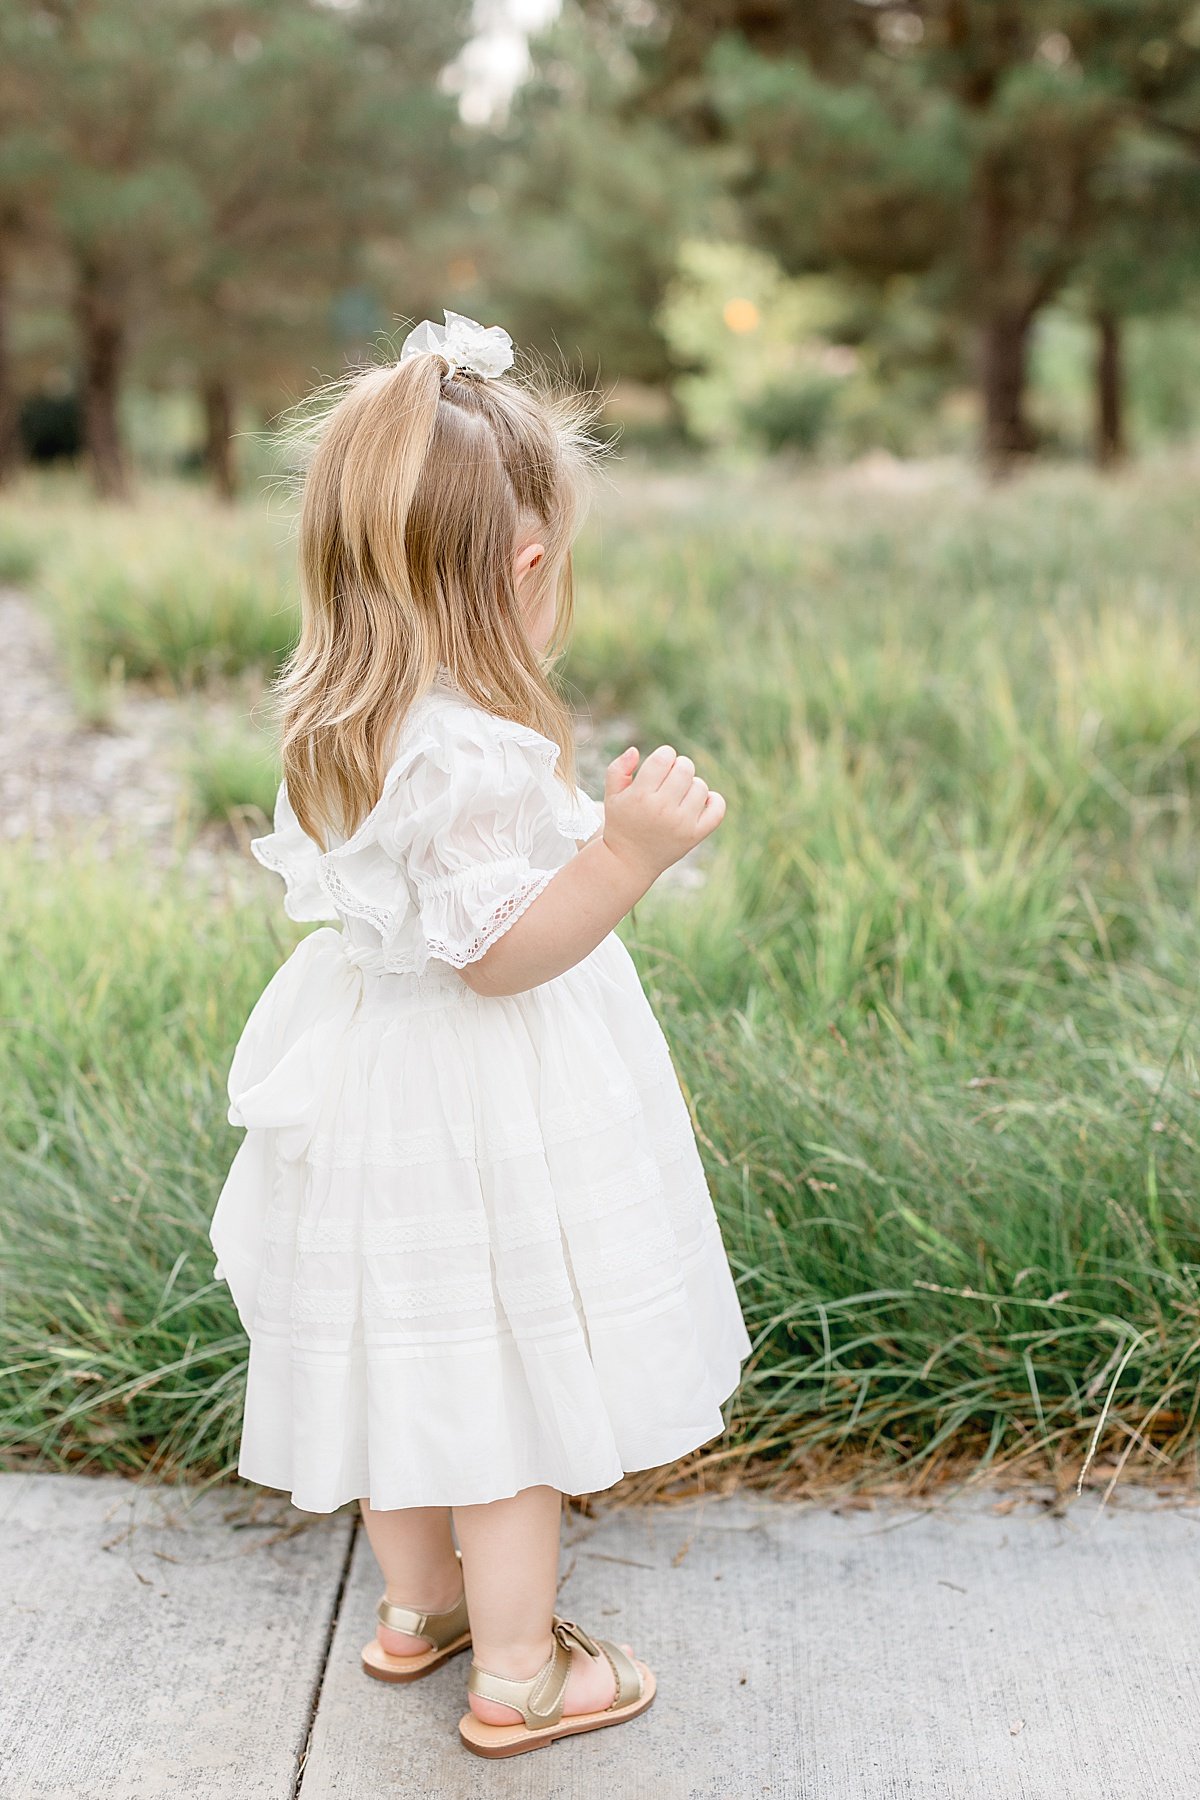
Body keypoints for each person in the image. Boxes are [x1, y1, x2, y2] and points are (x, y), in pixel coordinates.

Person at [209, 309, 752, 1759]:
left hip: (379, 1086)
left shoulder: (344, 714)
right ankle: (518, 1676)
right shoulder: (474, 753)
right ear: (524, 570)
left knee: (417, 1353)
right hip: (483, 1100)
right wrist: (626, 857)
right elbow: (504, 957)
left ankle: (414, 1610)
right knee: (504, 1381)